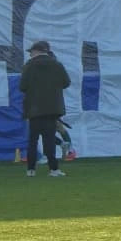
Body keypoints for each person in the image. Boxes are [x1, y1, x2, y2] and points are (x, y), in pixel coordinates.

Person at [20, 40, 71, 177]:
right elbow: (66, 83)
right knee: (49, 139)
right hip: (53, 108)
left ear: (36, 51)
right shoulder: (57, 64)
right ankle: (53, 169)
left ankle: (31, 170)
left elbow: (22, 87)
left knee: (33, 139)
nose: (30, 54)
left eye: (31, 52)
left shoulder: (29, 66)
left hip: (34, 108)